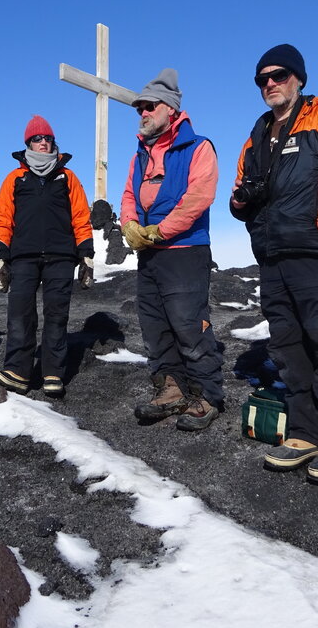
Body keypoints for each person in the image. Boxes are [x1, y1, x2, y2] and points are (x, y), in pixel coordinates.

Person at [230, 44, 318, 484]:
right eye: (262, 79)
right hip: (272, 259)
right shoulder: (255, 136)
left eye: (279, 75)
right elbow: (238, 198)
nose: (270, 83)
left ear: (299, 78)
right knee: (288, 348)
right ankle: (306, 432)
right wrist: (243, 199)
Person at [121, 68, 224, 431]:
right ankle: (171, 388)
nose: (143, 112)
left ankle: (208, 394)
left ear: (170, 108)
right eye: (139, 109)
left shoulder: (198, 147)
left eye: (149, 106)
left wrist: (159, 231)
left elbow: (199, 196)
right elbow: (130, 195)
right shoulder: (140, 155)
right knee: (155, 325)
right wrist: (130, 226)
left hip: (184, 250)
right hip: (150, 253)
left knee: (188, 323)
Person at [0, 116, 94, 398]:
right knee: (20, 314)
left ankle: (53, 373)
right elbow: (3, 219)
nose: (43, 142)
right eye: (37, 139)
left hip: (61, 257)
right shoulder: (15, 178)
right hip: (23, 257)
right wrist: (0, 255)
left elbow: (81, 217)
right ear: (28, 144)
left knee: (57, 315)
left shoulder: (67, 177)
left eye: (47, 138)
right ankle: (18, 373)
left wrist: (86, 254)